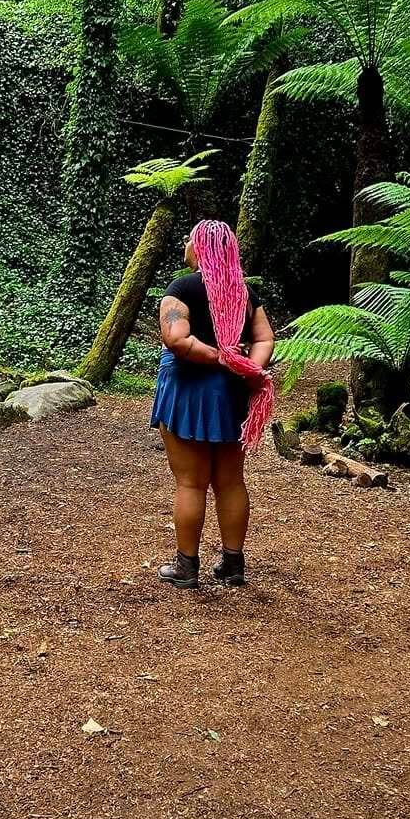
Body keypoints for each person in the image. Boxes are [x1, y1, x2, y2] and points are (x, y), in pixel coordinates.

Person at [149, 217, 275, 588]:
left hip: (188, 393)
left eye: (189, 240)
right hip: (232, 395)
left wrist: (218, 357)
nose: (185, 245)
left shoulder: (183, 288)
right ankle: (233, 564)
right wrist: (247, 366)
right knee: (232, 482)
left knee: (190, 483)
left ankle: (187, 567)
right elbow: (265, 337)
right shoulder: (244, 293)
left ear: (199, 248)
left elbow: (177, 339)